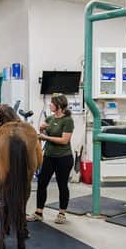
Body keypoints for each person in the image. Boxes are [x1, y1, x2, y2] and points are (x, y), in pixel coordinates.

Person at [31, 93, 75, 224]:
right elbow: (43, 133)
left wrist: (46, 137)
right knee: (42, 183)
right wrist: (41, 129)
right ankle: (39, 212)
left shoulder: (68, 120)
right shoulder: (50, 119)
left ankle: (62, 213)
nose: (50, 105)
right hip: (49, 156)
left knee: (62, 185)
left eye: (52, 103)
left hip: (64, 158)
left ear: (59, 106)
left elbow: (64, 140)